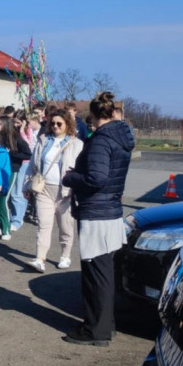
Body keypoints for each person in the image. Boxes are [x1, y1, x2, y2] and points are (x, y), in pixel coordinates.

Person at [62, 92, 135, 347]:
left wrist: (70, 178)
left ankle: (96, 329)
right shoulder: (120, 137)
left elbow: (97, 178)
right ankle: (104, 325)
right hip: (109, 210)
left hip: (97, 212)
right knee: (103, 273)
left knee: (96, 274)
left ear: (93, 115)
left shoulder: (101, 141)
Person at [25, 109, 82, 272]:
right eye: (53, 123)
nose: (55, 126)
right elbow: (32, 166)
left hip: (66, 192)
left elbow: (80, 168)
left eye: (59, 123)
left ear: (67, 125)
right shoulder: (43, 140)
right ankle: (40, 259)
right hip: (44, 189)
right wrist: (26, 185)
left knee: (66, 227)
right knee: (44, 225)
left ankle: (65, 255)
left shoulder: (76, 144)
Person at [8, 112, 33, 231]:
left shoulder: (27, 131)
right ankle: (16, 217)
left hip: (24, 165)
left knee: (17, 194)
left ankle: (17, 220)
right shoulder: (12, 132)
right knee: (16, 193)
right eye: (14, 122)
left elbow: (29, 148)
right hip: (16, 164)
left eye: (19, 122)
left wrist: (23, 130)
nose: (16, 125)